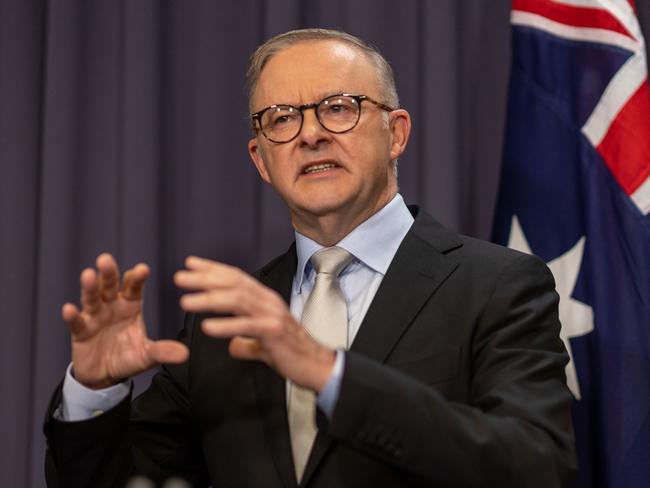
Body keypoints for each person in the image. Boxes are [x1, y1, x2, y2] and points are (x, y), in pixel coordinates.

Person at [44, 28, 575, 487]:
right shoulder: (223, 322)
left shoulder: (498, 285)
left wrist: (325, 371)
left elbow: (533, 468)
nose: (311, 134)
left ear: (397, 134)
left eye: (339, 108)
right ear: (261, 159)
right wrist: (94, 392)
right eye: (280, 120)